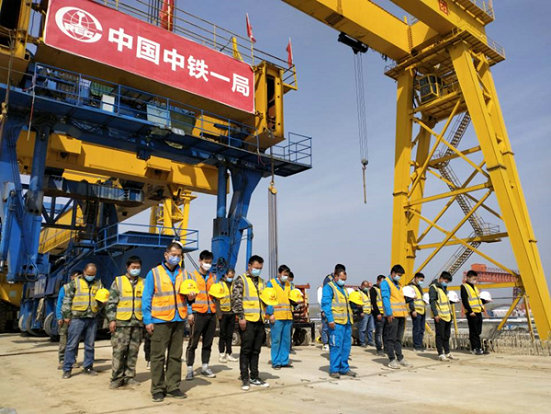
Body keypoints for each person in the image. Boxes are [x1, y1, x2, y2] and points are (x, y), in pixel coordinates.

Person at [142, 242, 196, 402]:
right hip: (160, 320)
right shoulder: (154, 273)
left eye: (179, 255)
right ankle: (158, 389)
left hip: (178, 319)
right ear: (166, 255)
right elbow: (146, 298)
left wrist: (190, 307)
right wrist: (147, 320)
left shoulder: (185, 274)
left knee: (175, 356)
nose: (176, 258)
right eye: (173, 255)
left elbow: (188, 297)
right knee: (158, 356)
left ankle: (173, 386)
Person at [231, 255, 269, 391]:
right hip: (247, 321)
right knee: (246, 350)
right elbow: (236, 300)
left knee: (256, 350)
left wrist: (269, 314)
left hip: (259, 320)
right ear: (249, 266)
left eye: (260, 268)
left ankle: (254, 376)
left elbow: (266, 300)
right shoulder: (241, 280)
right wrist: (241, 317)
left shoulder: (262, 282)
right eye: (256, 267)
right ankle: (245, 377)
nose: (258, 270)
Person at [106, 256, 144, 389]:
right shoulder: (118, 282)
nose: (136, 269)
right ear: (127, 267)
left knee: (133, 351)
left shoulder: (144, 282)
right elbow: (111, 303)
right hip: (121, 323)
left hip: (137, 323)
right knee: (119, 351)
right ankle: (116, 378)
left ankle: (129, 377)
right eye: (133, 267)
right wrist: (112, 319)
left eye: (138, 267)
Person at [61, 263, 103, 378]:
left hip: (92, 318)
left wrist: (99, 309)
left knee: (90, 345)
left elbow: (101, 300)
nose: (91, 276)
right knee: (72, 344)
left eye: (93, 274)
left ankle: (88, 367)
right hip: (77, 318)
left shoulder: (98, 284)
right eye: (89, 274)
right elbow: (67, 299)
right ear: (84, 272)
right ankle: (67, 368)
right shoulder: (75, 283)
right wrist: (66, 315)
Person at [185, 250, 217, 380]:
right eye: (206, 262)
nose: (208, 264)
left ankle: (205, 367)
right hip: (197, 313)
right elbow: (186, 296)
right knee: (193, 343)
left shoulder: (213, 277)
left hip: (211, 313)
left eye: (210, 262)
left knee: (208, 343)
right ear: (200, 261)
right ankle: (189, 369)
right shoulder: (191, 276)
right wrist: (189, 312)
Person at [321, 268, 356, 379]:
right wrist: (330, 320)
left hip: (346, 322)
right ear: (335, 276)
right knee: (336, 346)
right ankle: (334, 369)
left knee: (346, 347)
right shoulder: (329, 287)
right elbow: (326, 305)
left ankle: (344, 368)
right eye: (342, 279)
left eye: (345, 279)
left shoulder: (344, 289)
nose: (343, 281)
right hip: (336, 323)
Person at [381, 265, 411, 369]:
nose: (399, 277)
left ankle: (400, 357)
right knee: (391, 338)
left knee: (399, 338)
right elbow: (385, 298)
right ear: (393, 273)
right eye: (398, 275)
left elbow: (400, 299)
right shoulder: (386, 283)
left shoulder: (398, 284)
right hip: (393, 315)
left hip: (401, 314)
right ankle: (391, 359)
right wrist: (389, 313)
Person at [266, 265, 293, 369]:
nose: (285, 277)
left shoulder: (289, 285)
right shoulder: (271, 284)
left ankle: (284, 361)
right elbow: (268, 299)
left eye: (287, 275)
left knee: (286, 340)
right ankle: (276, 361)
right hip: (276, 317)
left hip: (287, 316)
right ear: (279, 273)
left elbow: (292, 298)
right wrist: (270, 314)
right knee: (276, 340)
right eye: (284, 274)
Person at [57, 269, 81, 370]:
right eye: (77, 276)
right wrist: (59, 317)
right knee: (64, 340)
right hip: (65, 318)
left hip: (76, 318)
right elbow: (60, 303)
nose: (78, 279)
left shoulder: (81, 289)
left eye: (80, 277)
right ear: (72, 277)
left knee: (75, 340)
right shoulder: (65, 288)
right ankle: (62, 360)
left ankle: (72, 359)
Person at [429, 271, 454, 361]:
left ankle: (447, 352)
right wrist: (436, 314)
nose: (446, 283)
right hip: (440, 316)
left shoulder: (444, 288)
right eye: (445, 281)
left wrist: (450, 314)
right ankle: (440, 353)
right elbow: (432, 302)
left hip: (447, 316)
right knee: (440, 335)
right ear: (441, 278)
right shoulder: (433, 288)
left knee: (447, 335)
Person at [461, 270, 486, 355]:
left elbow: (477, 299)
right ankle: (475, 348)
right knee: (473, 331)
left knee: (478, 331)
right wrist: (470, 311)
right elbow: (465, 300)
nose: (475, 280)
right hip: (471, 312)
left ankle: (479, 348)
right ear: (468, 278)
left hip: (478, 311)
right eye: (473, 279)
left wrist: (484, 301)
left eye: (476, 279)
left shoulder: (474, 287)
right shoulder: (464, 287)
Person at [321, 264, 346, 351]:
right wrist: (324, 310)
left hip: (340, 315)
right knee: (326, 327)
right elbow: (326, 298)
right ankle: (325, 343)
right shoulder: (328, 280)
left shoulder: (341, 283)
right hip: (330, 311)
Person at [218, 269, 238, 363]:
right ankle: (222, 354)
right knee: (223, 334)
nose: (231, 278)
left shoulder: (234, 285)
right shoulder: (220, 285)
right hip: (223, 313)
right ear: (225, 275)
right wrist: (219, 313)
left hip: (232, 312)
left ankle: (229, 353)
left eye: (232, 277)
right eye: (229, 276)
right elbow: (217, 300)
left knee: (230, 334)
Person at [407, 272, 426, 352]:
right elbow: (410, 300)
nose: (422, 282)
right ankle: (416, 346)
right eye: (421, 280)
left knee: (422, 329)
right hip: (416, 311)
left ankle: (420, 344)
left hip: (422, 310)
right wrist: (413, 310)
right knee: (417, 329)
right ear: (416, 278)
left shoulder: (419, 287)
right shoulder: (411, 287)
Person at [370, 275, 386, 356]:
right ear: (378, 281)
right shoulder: (374, 289)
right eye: (382, 282)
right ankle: (379, 349)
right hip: (379, 314)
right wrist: (377, 313)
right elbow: (373, 302)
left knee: (386, 333)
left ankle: (386, 348)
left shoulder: (384, 290)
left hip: (385, 314)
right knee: (379, 332)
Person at [358, 280, 374, 347]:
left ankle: (370, 341)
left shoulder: (368, 292)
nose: (367, 288)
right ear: (362, 286)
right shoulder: (359, 293)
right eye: (365, 286)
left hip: (370, 312)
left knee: (370, 328)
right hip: (364, 313)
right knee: (363, 328)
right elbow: (358, 303)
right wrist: (361, 312)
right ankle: (362, 342)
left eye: (367, 286)